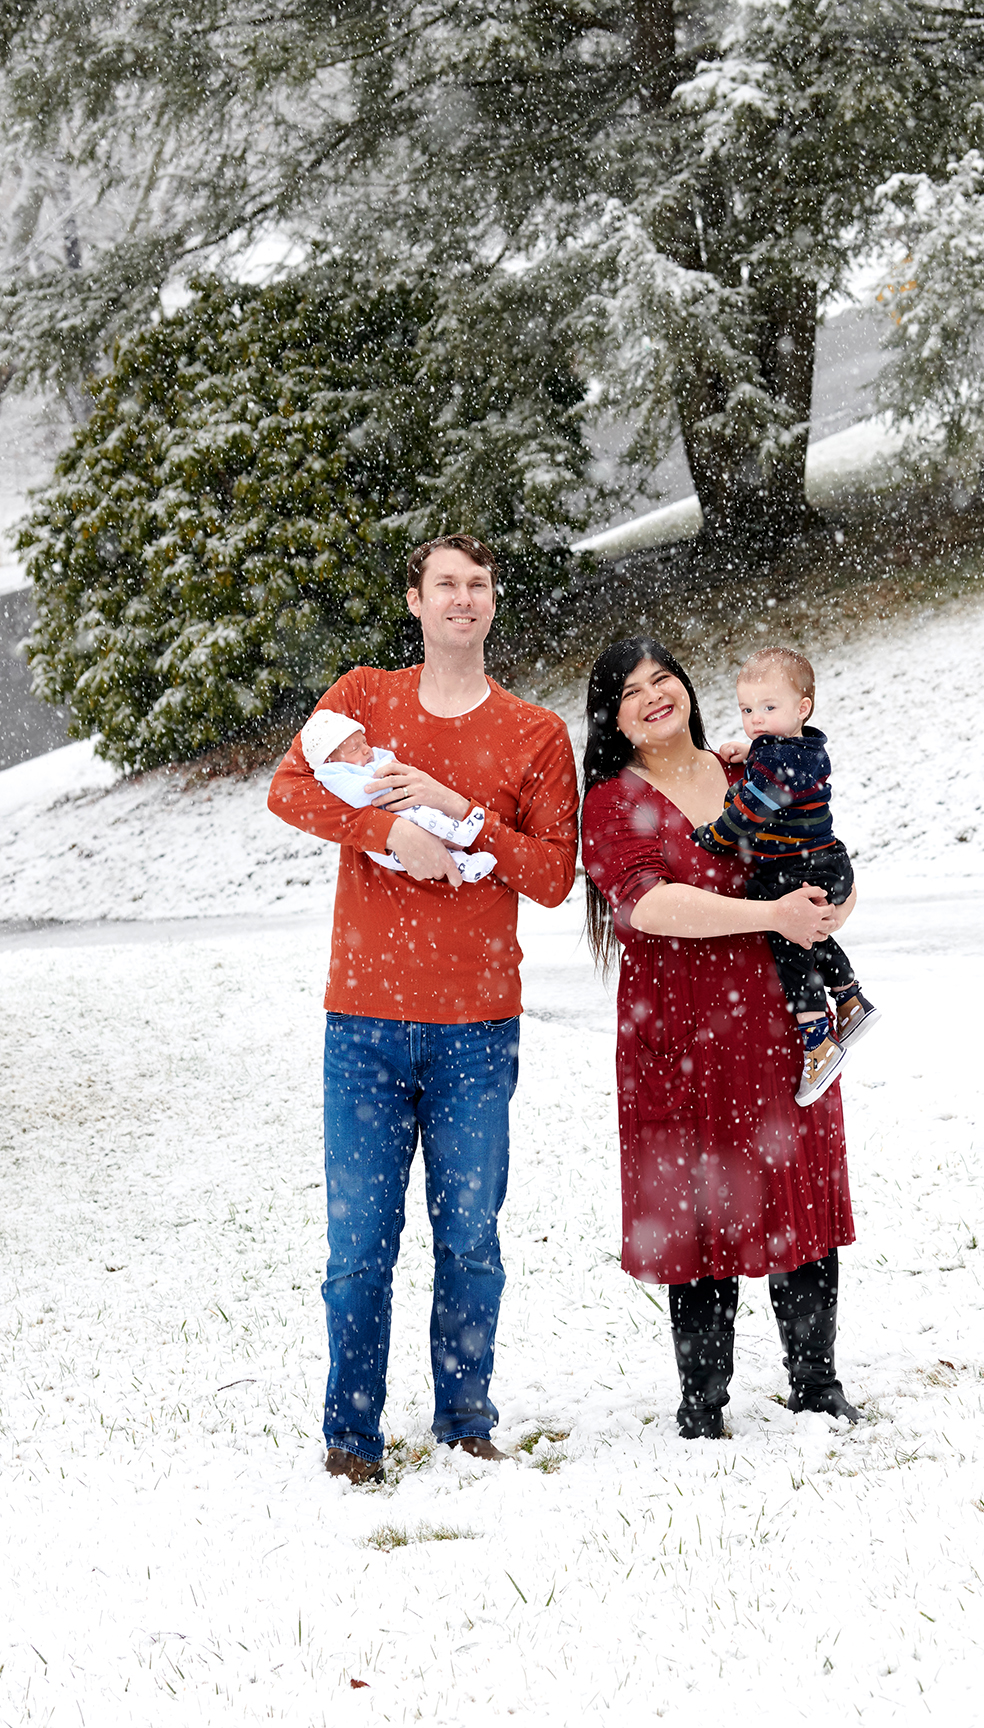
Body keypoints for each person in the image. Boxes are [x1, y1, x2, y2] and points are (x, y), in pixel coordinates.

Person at [268, 533, 578, 1481]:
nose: (463, 598)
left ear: (492, 601)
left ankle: (465, 1420)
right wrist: (392, 827)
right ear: (414, 600)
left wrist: (465, 810)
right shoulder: (365, 696)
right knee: (359, 1246)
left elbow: (555, 876)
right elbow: (288, 790)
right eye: (445, 583)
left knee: (470, 1236)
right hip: (362, 1017)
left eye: (478, 584)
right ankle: (351, 1438)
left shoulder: (533, 734)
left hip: (478, 1024)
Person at [580, 637, 862, 1439]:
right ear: (614, 717)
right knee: (697, 1208)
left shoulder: (752, 769)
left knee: (796, 1188)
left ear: (688, 689)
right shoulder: (609, 801)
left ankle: (816, 1384)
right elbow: (648, 904)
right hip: (678, 1030)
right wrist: (770, 915)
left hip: (781, 1017)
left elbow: (818, 846)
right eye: (631, 691)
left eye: (662, 678)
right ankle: (702, 1407)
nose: (652, 696)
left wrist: (835, 903)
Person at [692, 646, 879, 1107]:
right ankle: (851, 1000)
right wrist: (749, 750)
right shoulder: (802, 748)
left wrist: (713, 837)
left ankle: (818, 1042)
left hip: (797, 870)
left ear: (802, 708)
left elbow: (750, 810)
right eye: (746, 709)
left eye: (768, 708)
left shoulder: (779, 763)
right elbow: (771, 761)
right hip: (827, 860)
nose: (755, 718)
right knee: (813, 934)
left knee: (790, 942)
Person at [300, 708, 497, 882]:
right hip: (388, 836)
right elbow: (363, 793)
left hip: (397, 810)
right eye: (355, 748)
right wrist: (388, 784)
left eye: (364, 741)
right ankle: (460, 833)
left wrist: (393, 773)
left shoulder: (370, 758)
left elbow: (392, 762)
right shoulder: (332, 774)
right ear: (330, 759)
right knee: (420, 816)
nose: (367, 749)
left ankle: (468, 866)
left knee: (431, 830)